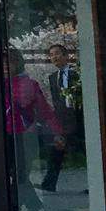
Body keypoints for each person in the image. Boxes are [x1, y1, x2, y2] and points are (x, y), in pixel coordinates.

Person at [2, 49, 68, 211]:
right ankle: (33, 203)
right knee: (13, 171)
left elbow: (44, 111)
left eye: (9, 62)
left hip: (26, 134)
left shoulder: (30, 84)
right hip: (5, 133)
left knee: (20, 172)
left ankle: (13, 209)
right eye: (3, 63)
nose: (5, 66)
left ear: (18, 63)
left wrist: (57, 132)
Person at [39, 43, 78, 193]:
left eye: (57, 53)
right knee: (57, 150)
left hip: (77, 117)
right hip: (62, 119)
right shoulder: (53, 77)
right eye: (51, 55)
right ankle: (49, 183)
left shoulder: (76, 74)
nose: (54, 57)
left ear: (66, 56)